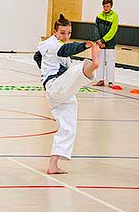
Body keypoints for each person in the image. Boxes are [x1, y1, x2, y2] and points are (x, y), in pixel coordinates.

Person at [34, 14, 99, 174]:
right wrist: (85, 45)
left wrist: (45, 67)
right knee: (78, 71)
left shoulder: (49, 46)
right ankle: (92, 65)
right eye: (63, 33)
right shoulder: (53, 44)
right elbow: (66, 50)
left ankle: (53, 165)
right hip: (55, 85)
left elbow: (37, 56)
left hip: (59, 94)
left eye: (69, 33)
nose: (66, 36)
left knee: (68, 127)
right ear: (55, 32)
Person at [93, 0, 118, 88]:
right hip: (100, 43)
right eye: (104, 6)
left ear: (111, 6)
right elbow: (96, 28)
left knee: (110, 62)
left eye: (108, 6)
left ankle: (110, 81)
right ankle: (100, 80)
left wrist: (104, 40)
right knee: (100, 61)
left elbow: (113, 30)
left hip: (110, 43)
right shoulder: (99, 16)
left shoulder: (114, 16)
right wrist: (98, 40)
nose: (106, 8)